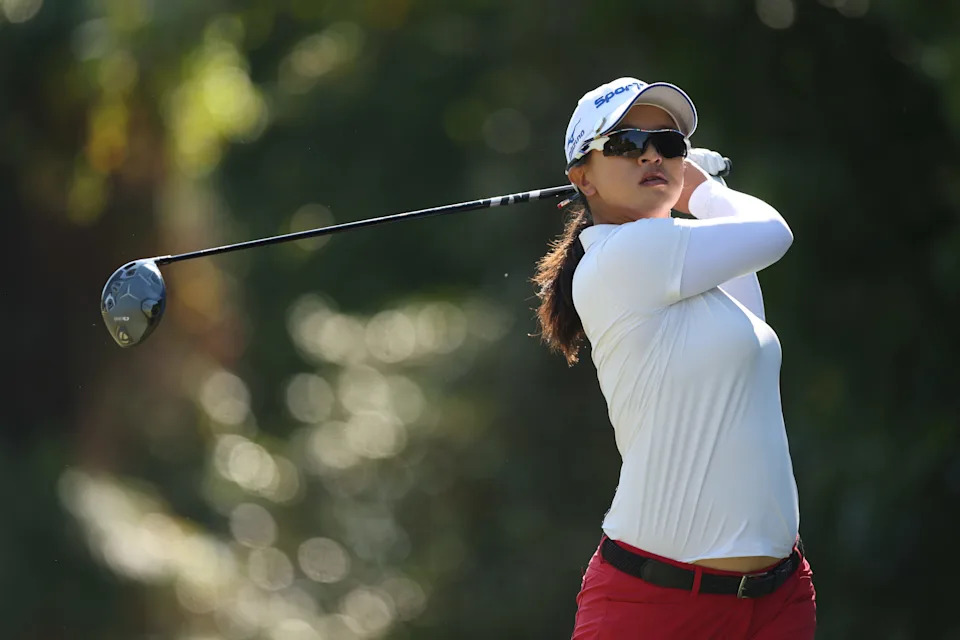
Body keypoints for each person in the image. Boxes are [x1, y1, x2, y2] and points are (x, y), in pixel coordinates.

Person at [533, 77, 816, 639]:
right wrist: (702, 190)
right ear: (582, 178)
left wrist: (702, 191)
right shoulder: (621, 255)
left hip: (778, 598)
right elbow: (773, 232)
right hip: (657, 606)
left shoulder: (686, 263)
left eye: (668, 144)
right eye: (626, 143)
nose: (651, 155)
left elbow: (744, 257)